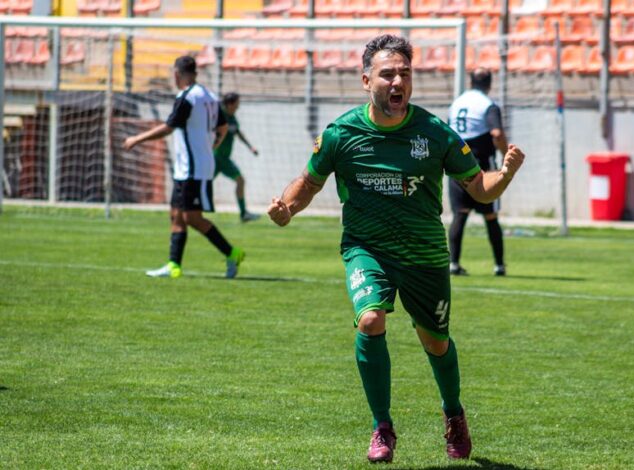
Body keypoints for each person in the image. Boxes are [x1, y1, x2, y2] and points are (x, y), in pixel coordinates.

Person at [267, 35, 525, 463]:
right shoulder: (341, 133)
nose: (397, 81)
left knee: (436, 342)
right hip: (367, 249)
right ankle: (382, 427)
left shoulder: (434, 132)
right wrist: (287, 207)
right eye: (387, 73)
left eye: (404, 73)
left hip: (424, 255)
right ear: (366, 80)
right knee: (370, 321)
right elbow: (309, 181)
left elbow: (479, 189)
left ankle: (454, 413)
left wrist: (507, 173)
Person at [123, 55, 245, 279]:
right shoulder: (209, 96)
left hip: (193, 169)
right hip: (190, 168)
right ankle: (174, 265)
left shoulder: (187, 97)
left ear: (177, 74)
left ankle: (232, 253)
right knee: (176, 215)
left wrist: (137, 139)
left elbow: (169, 128)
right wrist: (211, 145)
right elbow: (223, 127)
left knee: (192, 218)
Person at [447, 68, 509, 277]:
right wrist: (506, 153)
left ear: (471, 81)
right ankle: (499, 265)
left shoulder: (457, 103)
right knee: (491, 215)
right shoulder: (487, 105)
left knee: (460, 214)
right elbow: (497, 133)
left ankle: (453, 263)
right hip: (481, 163)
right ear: (489, 84)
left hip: (457, 162)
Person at [215, 92, 260, 222]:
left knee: (204, 183)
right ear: (229, 104)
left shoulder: (232, 118)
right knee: (240, 181)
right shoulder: (219, 115)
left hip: (224, 158)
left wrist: (250, 147)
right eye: (236, 104)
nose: (238, 107)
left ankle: (243, 213)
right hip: (216, 157)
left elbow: (238, 133)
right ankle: (243, 213)